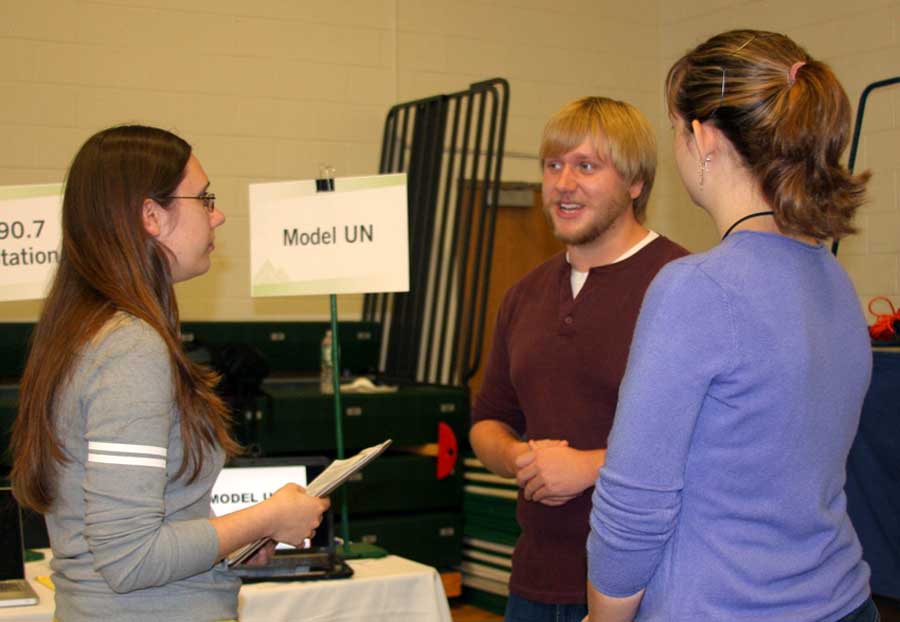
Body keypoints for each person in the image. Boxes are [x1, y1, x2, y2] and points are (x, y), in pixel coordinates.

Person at [586, 30, 878, 622]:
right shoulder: (834, 282)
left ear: (702, 137)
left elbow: (635, 502)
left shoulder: (696, 288)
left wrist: (604, 616)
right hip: (843, 602)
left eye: (674, 128)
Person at [9, 125, 330, 622]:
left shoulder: (86, 331)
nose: (217, 214)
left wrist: (232, 541)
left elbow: (127, 541)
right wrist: (266, 517)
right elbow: (130, 557)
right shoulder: (129, 346)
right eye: (205, 199)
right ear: (152, 216)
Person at [469, 97, 688, 622]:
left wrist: (589, 467)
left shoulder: (683, 285)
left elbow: (710, 441)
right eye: (553, 165)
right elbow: (487, 422)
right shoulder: (523, 295)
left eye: (586, 166)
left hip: (645, 587)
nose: (563, 183)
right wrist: (517, 458)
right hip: (535, 581)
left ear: (635, 182)